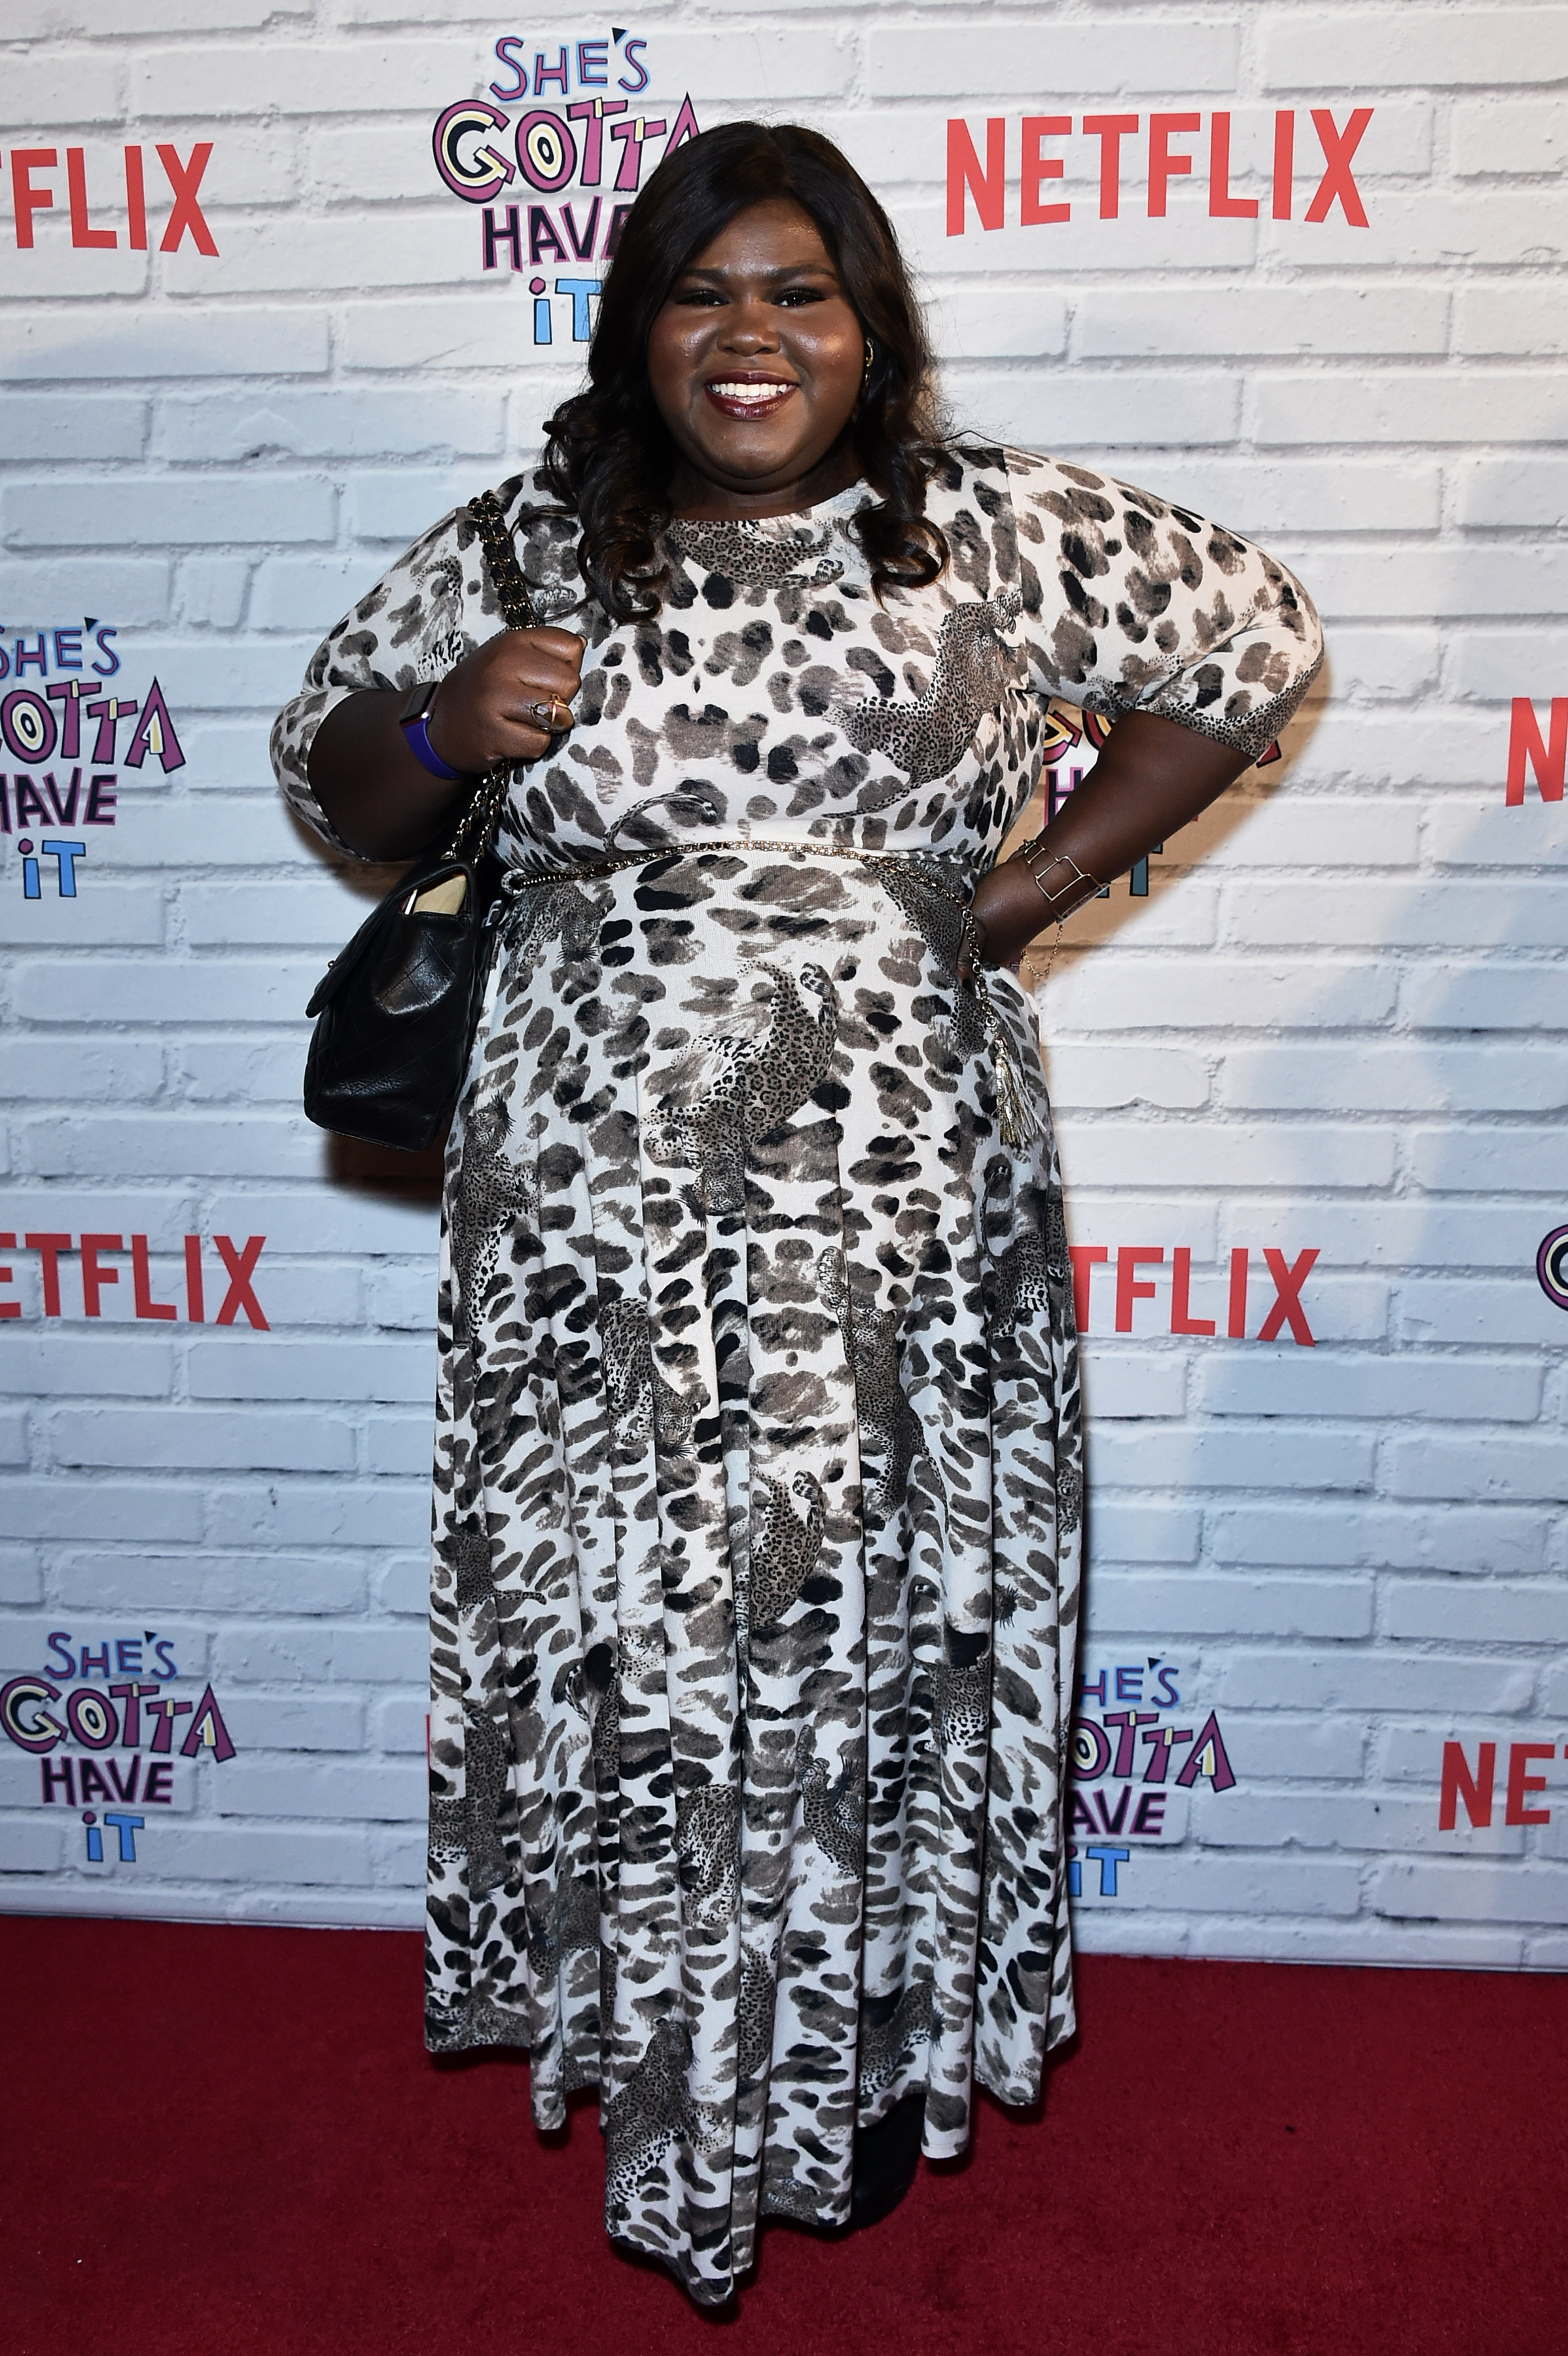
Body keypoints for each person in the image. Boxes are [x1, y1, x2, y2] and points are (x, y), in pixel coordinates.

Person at [272, 120, 1321, 2305]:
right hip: (585, 1185)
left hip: (896, 1183)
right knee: (641, 1610)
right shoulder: (537, 533)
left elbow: (1250, 645)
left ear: (867, 329)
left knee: (862, 1600)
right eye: (698, 292)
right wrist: (451, 726)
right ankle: (652, 2044)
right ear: (634, 326)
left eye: (797, 293)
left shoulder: (991, 526)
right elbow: (333, 775)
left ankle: (844, 2062)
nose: (747, 336)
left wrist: (1020, 890)